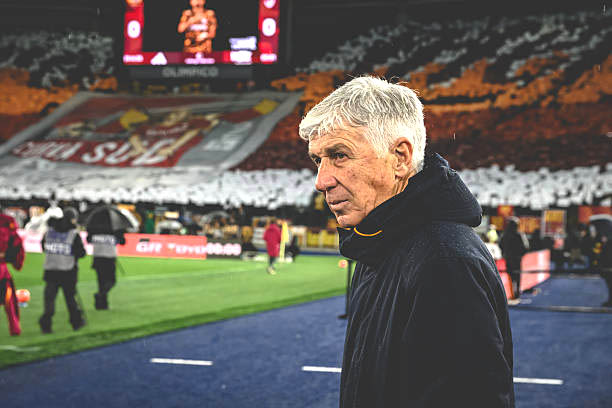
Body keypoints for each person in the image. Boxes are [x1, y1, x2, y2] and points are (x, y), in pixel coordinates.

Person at [299, 76, 514, 407]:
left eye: (339, 155)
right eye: (318, 160)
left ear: (400, 157)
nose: (321, 180)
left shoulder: (444, 263)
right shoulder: (379, 243)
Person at [39, 207, 86, 333]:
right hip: (67, 271)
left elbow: (43, 247)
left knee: (49, 300)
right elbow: (81, 253)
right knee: (70, 299)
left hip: (50, 271)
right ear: (72, 219)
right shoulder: (73, 234)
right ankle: (76, 322)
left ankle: (46, 323)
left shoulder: (49, 232)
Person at [87, 229, 126, 310]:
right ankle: (101, 296)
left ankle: (101, 304)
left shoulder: (94, 227)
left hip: (97, 257)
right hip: (109, 257)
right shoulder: (115, 228)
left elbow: (88, 240)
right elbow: (123, 242)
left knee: (101, 281)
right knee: (112, 281)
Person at [0, 212, 25, 336]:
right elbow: (16, 243)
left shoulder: (7, 222)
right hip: (2, 271)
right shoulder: (7, 222)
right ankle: (15, 328)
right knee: (9, 300)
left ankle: (15, 328)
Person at [499, 217, 529, 303]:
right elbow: (526, 247)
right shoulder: (519, 235)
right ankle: (516, 294)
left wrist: (505, 253)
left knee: (510, 276)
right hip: (516, 259)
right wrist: (520, 255)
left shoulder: (505, 235)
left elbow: (500, 245)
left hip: (508, 258)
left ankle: (511, 293)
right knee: (517, 276)